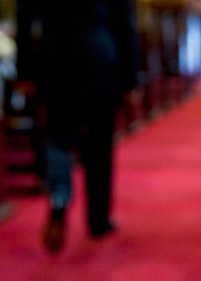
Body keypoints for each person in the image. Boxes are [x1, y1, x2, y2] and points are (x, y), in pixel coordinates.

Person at [16, 0, 138, 251]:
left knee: (58, 139)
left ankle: (59, 204)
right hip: (100, 57)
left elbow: (25, 19)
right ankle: (98, 220)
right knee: (100, 144)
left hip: (54, 61)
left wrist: (24, 71)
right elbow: (125, 22)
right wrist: (130, 79)